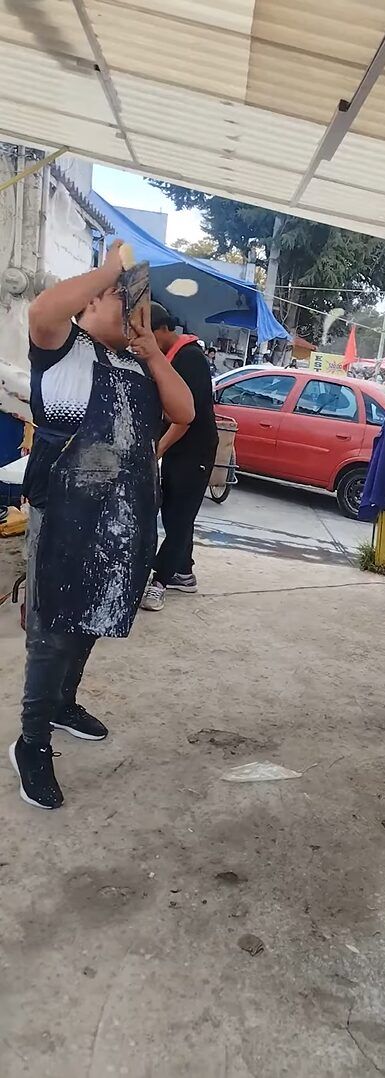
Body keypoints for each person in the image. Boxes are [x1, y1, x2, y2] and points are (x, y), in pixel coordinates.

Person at [13, 242, 194, 809]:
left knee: (96, 614)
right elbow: (42, 309)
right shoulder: (62, 347)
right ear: (90, 303)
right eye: (123, 301)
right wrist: (114, 269)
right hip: (64, 514)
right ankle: (32, 741)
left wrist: (153, 353)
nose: (135, 311)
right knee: (53, 629)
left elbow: (184, 413)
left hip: (123, 515)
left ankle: (63, 703)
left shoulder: (138, 364)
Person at [141, 304, 219, 612]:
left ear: (162, 329)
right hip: (178, 448)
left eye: (147, 333)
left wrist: (156, 452)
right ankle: (183, 572)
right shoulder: (168, 358)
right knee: (173, 511)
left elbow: (185, 419)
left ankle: (159, 582)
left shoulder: (190, 359)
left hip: (195, 449)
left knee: (179, 518)